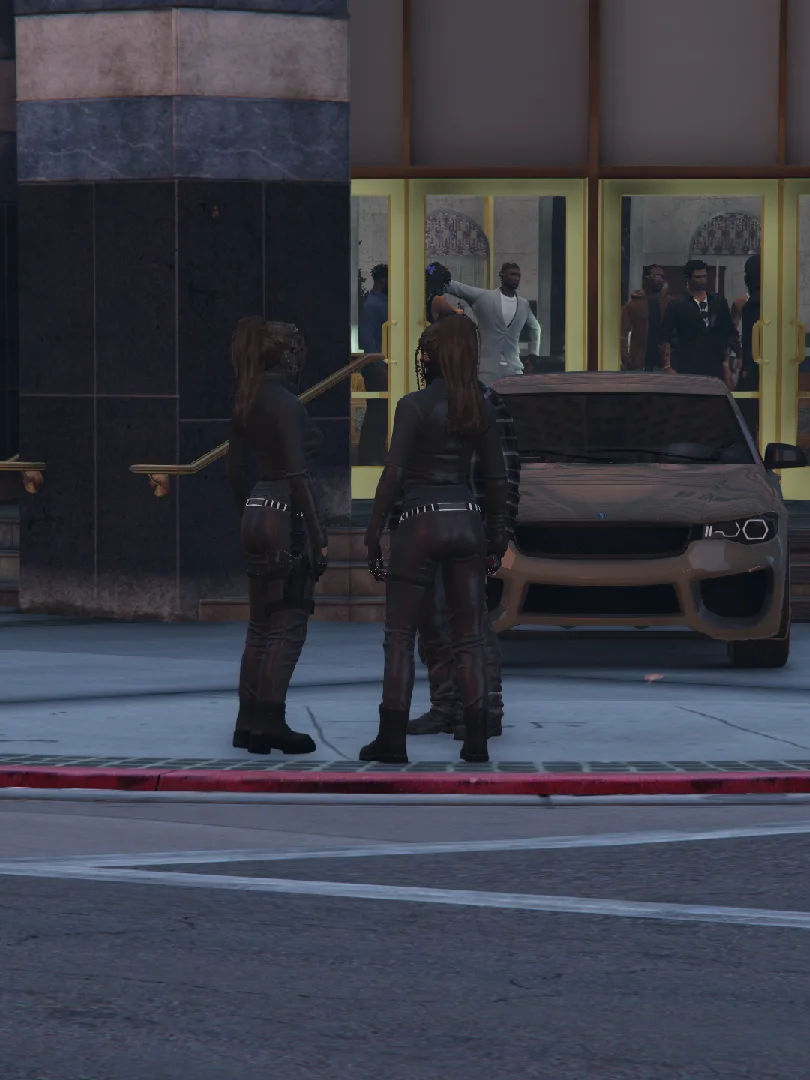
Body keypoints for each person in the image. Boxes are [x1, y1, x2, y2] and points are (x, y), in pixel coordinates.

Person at [361, 315, 508, 765]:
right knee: (469, 636)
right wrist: (498, 539)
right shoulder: (480, 407)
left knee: (400, 635)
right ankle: (476, 738)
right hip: (467, 522)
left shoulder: (413, 405)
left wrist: (373, 533)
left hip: (420, 521)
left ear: (430, 357)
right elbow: (496, 479)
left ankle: (392, 739)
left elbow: (393, 475)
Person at [401, 350, 521, 739]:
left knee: (471, 622)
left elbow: (506, 471)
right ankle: (446, 706)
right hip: (428, 524)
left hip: (470, 526)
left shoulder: (485, 401)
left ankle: (486, 708)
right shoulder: (423, 405)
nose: (424, 364)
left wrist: (499, 530)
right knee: (432, 619)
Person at [225, 317, 328, 756]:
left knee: (260, 625)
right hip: (285, 515)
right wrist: (318, 535)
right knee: (288, 625)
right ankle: (270, 722)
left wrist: (247, 515)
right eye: (297, 351)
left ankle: (247, 722)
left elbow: (235, 470)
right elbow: (298, 475)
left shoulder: (247, 398)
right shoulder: (286, 404)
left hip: (257, 510)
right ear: (285, 355)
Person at [444, 262, 541, 385]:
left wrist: (533, 354)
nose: (516, 278)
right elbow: (458, 288)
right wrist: (436, 275)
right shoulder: (484, 297)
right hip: (487, 368)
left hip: (513, 367)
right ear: (502, 275)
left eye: (518, 275)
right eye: (512, 274)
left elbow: (535, 327)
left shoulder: (524, 304)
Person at [660, 259, 741, 388]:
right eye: (697, 277)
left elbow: (728, 331)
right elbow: (665, 337)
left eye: (704, 276)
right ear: (688, 278)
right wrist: (667, 366)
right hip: (687, 365)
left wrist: (737, 356)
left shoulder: (718, 301)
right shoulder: (677, 304)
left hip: (714, 365)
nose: (702, 280)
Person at [357, 263, 390, 465]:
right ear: (381, 281)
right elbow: (366, 338)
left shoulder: (382, 302)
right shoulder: (373, 305)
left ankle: (375, 455)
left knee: (382, 414)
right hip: (377, 368)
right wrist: (379, 367)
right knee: (378, 413)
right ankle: (369, 458)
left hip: (383, 366)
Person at [730, 254, 761, 439]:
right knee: (746, 413)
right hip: (747, 363)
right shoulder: (742, 303)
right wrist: (739, 355)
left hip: (764, 363)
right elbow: (732, 331)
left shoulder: (775, 302)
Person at [620, 265, 672, 371]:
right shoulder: (633, 305)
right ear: (646, 279)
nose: (660, 280)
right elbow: (622, 331)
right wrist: (624, 352)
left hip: (664, 361)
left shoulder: (668, 303)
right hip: (639, 361)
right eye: (656, 276)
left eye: (663, 277)